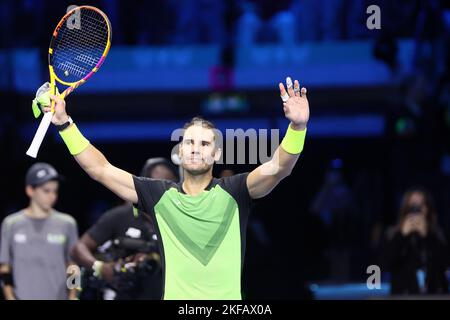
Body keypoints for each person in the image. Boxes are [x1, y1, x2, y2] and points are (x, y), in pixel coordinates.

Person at [39, 76, 309, 299]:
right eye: (190, 143)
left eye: (204, 145)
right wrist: (65, 124)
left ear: (216, 154)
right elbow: (100, 169)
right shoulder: (159, 195)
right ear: (179, 150)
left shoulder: (236, 191)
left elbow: (278, 167)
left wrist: (298, 126)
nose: (195, 149)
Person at [70, 158, 178, 300]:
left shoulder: (179, 220)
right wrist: (101, 267)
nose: (161, 191)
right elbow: (78, 248)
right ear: (144, 186)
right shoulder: (119, 216)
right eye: (156, 186)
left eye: (167, 186)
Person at [0, 163, 79, 300]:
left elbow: (73, 267)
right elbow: (5, 267)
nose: (52, 196)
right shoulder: (11, 224)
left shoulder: (67, 223)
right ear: (30, 190)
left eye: (55, 191)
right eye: (46, 191)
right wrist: (9, 297)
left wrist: (73, 297)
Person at [381, 186, 450, 295]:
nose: (417, 210)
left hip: (435, 294)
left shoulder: (438, 234)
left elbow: (446, 263)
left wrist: (427, 236)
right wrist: (401, 235)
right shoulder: (392, 234)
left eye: (421, 205)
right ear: (405, 208)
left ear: (428, 208)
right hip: (404, 295)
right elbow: (383, 264)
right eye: (413, 205)